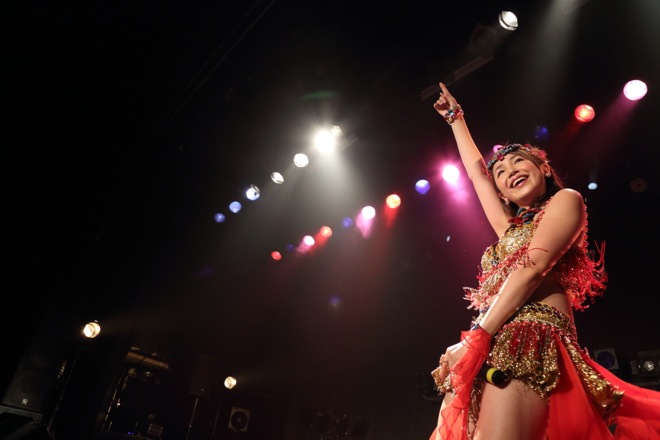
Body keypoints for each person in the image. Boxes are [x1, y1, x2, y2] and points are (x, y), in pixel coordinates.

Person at [428, 82, 660, 440]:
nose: (509, 171)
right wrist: (455, 118)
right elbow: (476, 174)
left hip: (529, 338)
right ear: (501, 193)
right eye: (501, 172)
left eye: (518, 161)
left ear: (544, 168)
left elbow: (533, 268)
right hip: (491, 341)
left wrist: (475, 337)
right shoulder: (508, 228)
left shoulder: (566, 201)